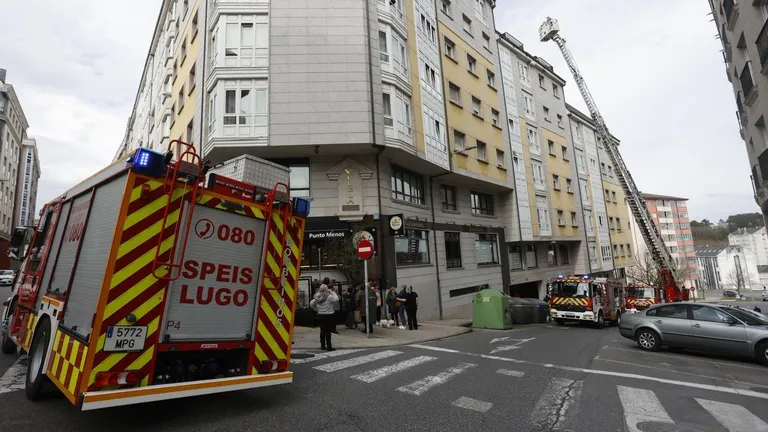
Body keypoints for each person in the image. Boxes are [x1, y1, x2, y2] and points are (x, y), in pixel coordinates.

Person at [310, 284, 339, 351]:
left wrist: (316, 309)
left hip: (320, 315)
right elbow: (336, 299)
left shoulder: (317, 297)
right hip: (329, 315)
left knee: (322, 331)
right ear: (326, 290)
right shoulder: (329, 297)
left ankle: (322, 346)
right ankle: (329, 346)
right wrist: (332, 292)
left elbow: (311, 304)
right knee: (328, 331)